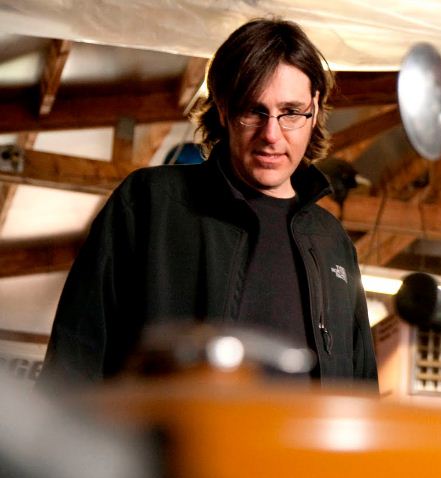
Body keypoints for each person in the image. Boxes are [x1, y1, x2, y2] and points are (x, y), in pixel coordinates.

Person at [38, 18, 377, 390]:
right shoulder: (150, 204)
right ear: (223, 109)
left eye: (291, 112)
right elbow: (74, 358)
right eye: (254, 110)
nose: (271, 134)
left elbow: (361, 388)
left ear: (315, 107)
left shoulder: (333, 243)